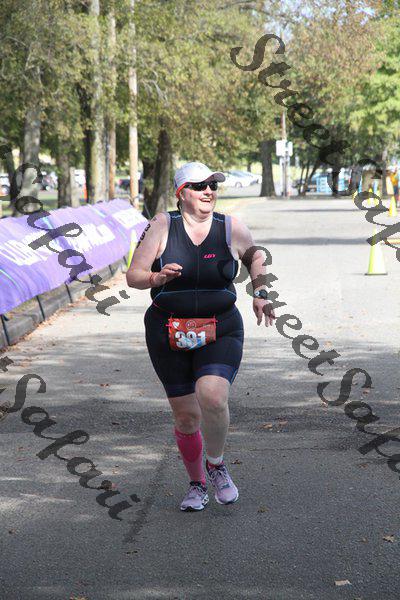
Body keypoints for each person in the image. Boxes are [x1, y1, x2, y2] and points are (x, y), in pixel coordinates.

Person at [126, 161, 276, 511]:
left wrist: (260, 293)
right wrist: (156, 278)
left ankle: (216, 464)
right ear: (182, 193)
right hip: (167, 329)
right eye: (199, 186)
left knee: (213, 396)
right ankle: (196, 484)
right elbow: (134, 275)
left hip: (220, 326)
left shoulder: (229, 226)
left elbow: (255, 256)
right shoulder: (162, 225)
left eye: (213, 185)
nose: (208, 191)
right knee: (186, 417)